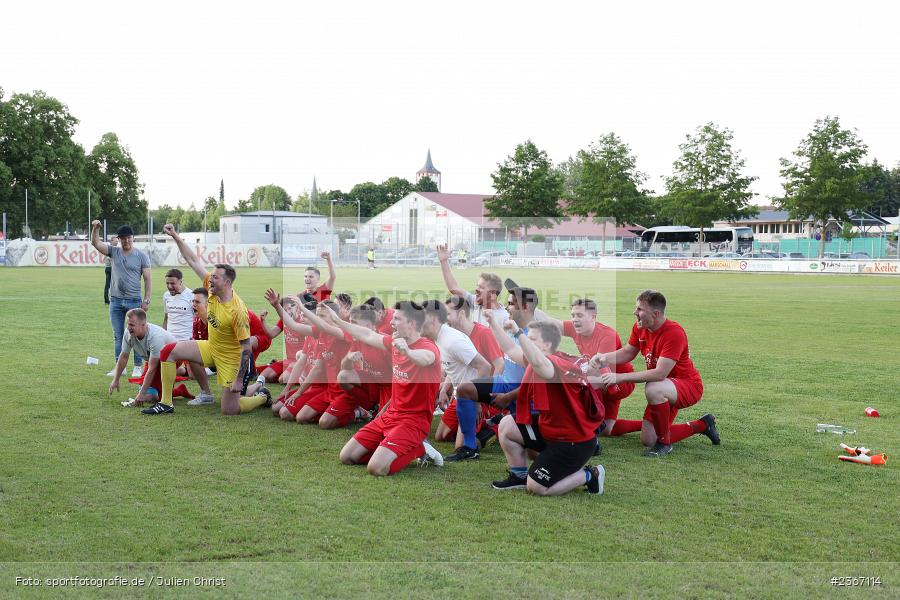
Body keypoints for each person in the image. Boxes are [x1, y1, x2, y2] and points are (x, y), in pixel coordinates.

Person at [149, 223, 268, 416]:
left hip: (231, 359)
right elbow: (192, 260)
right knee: (168, 351)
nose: (210, 280)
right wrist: (175, 236)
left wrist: (238, 379)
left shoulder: (237, 310)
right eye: (211, 276)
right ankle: (166, 403)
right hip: (211, 347)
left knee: (230, 409)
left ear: (227, 283)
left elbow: (246, 348)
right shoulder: (212, 290)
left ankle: (262, 396)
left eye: (215, 278)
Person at [590, 290, 720, 457]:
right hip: (665, 387)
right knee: (648, 439)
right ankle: (702, 425)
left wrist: (620, 377)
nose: (635, 313)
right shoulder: (640, 327)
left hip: (687, 386)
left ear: (656, 313)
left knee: (653, 387)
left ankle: (665, 444)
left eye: (640, 309)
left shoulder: (674, 333)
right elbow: (629, 352)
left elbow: (659, 374)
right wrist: (603, 358)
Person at [494, 320, 605, 496]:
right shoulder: (538, 359)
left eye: (532, 339)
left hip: (573, 442)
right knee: (507, 425)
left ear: (547, 344)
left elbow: (540, 365)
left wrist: (518, 332)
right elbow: (510, 349)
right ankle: (518, 476)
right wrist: (493, 320)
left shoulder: (553, 364)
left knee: (537, 488)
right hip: (551, 430)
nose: (525, 342)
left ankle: (591, 474)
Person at [337, 301, 444, 476]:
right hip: (391, 415)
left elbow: (425, 359)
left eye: (397, 319)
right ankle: (388, 449)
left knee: (376, 469)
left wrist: (408, 352)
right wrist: (338, 321)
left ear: (412, 324)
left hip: (413, 421)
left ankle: (420, 449)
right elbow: (367, 335)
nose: (391, 323)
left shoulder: (428, 347)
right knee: (347, 457)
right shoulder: (394, 341)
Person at [531, 296, 636, 441]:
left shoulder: (607, 335)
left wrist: (569, 371)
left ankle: (581, 426)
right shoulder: (576, 328)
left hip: (620, 383)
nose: (575, 319)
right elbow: (551, 321)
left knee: (580, 383)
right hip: (603, 381)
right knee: (606, 428)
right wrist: (529, 305)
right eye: (573, 315)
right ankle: (647, 426)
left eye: (579, 315)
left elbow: (596, 370)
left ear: (593, 317)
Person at [436, 295, 505, 450]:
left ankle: (493, 426)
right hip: (462, 392)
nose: (444, 319)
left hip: (480, 395)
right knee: (441, 436)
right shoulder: (452, 336)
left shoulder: (483, 333)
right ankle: (480, 424)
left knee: (461, 446)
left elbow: (500, 365)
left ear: (461, 314)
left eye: (448, 314)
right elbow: (457, 366)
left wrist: (484, 397)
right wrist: (445, 388)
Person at [91, 221, 151, 378]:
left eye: (128, 238)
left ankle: (137, 367)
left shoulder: (141, 256)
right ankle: (120, 367)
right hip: (116, 301)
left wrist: (146, 300)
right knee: (118, 335)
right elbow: (95, 243)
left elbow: (147, 279)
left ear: (133, 238)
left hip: (134, 300)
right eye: (123, 238)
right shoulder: (113, 252)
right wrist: (95, 229)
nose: (126, 241)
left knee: (137, 334)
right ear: (119, 239)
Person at [107, 309, 192, 407]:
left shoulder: (155, 337)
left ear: (143, 325)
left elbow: (152, 368)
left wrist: (141, 394)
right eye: (128, 324)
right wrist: (116, 379)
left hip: (172, 359)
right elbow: (124, 356)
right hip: (154, 360)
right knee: (146, 387)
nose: (128, 328)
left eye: (132, 325)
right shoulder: (128, 333)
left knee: (154, 396)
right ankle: (180, 387)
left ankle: (178, 384)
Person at [436, 244, 509, 325]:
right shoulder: (475, 302)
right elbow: (454, 288)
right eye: (477, 286)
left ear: (493, 294)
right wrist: (444, 261)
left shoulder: (504, 318)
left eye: (481, 287)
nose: (476, 290)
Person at [162, 269, 195, 342]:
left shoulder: (192, 296)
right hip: (170, 340)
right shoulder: (166, 295)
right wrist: (163, 336)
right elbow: (166, 318)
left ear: (180, 282)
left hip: (187, 340)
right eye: (167, 283)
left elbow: (198, 320)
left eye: (172, 283)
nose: (169, 286)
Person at [103, 237, 118, 304]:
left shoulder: (114, 249)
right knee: (108, 285)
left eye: (117, 241)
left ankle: (113, 299)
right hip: (110, 268)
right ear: (111, 241)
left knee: (114, 285)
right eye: (115, 241)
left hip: (112, 268)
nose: (117, 242)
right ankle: (107, 300)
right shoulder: (110, 249)